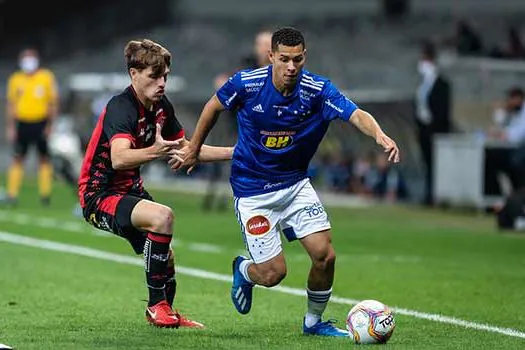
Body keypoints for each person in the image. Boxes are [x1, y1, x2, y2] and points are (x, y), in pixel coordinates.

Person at [174, 27, 400, 337]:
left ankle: (314, 322)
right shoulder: (247, 84)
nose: (291, 67)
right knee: (273, 274)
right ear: (271, 57)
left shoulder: (317, 90)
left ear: (304, 57)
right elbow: (213, 106)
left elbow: (355, 113)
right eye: (284, 60)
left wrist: (379, 134)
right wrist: (194, 149)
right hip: (253, 192)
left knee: (325, 255)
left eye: (297, 60)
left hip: (295, 186)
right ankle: (243, 269)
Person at [78, 39, 233, 328]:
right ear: (133, 74)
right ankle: (156, 307)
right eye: (153, 76)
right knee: (163, 217)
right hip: (99, 195)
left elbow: (188, 148)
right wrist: (156, 151)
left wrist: (238, 153)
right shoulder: (120, 107)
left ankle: (166, 312)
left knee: (166, 257)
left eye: (164, 76)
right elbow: (120, 159)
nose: (161, 83)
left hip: (130, 191)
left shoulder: (162, 107)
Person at [203, 29, 273, 212]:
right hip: (235, 121)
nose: (264, 49)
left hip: (263, 126)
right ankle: (213, 196)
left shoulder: (280, 70)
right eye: (262, 44)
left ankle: (247, 197)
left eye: (268, 44)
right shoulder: (246, 65)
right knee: (223, 159)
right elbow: (223, 80)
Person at [3, 48, 58, 206]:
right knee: (18, 158)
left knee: (44, 159)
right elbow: (11, 105)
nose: (28, 62)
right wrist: (11, 127)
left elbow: (53, 103)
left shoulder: (46, 77)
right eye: (25, 58)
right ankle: (12, 194)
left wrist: (50, 125)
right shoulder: (16, 79)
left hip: (41, 123)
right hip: (22, 123)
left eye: (30, 58)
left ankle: (45, 195)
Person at [414, 41, 452, 206]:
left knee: (436, 164)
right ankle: (428, 195)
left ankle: (436, 196)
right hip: (423, 128)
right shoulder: (423, 84)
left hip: (435, 130)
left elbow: (442, 109)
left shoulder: (441, 84)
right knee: (427, 163)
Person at [484, 87, 525, 197]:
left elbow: (517, 136)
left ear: (518, 99)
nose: (508, 101)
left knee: (494, 159)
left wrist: (500, 133)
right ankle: (493, 196)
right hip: (511, 151)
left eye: (511, 99)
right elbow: (499, 126)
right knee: (487, 158)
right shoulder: (511, 113)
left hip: (519, 153)